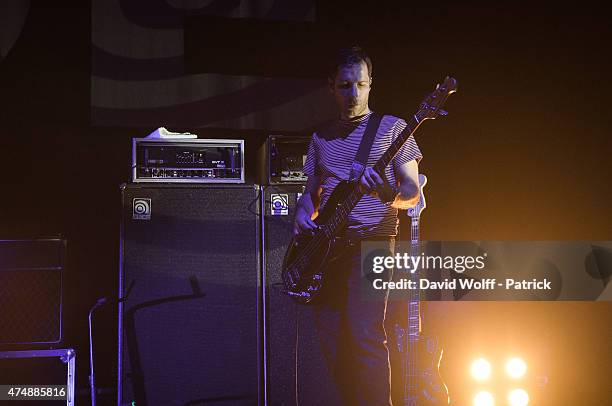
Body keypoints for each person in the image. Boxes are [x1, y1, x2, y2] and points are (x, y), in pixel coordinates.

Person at [293, 46, 422, 406]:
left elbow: (411, 193)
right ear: (331, 87)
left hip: (375, 244)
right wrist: (302, 213)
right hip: (329, 248)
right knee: (331, 340)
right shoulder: (321, 139)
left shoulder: (393, 129)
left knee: (367, 336)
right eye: (345, 86)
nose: (353, 94)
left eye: (360, 85)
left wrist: (386, 193)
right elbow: (311, 195)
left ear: (370, 85)